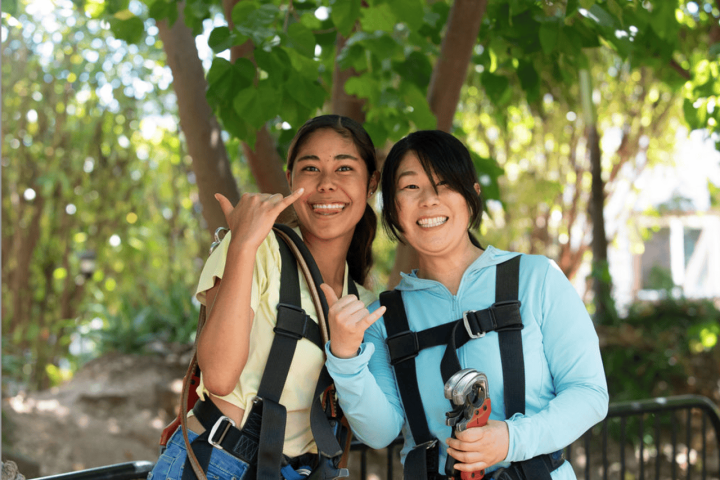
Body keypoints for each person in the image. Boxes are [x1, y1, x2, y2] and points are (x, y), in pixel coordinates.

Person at [323, 130, 609, 479]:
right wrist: (345, 357)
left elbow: (589, 393)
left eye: (444, 183)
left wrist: (511, 440)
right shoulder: (383, 318)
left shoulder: (536, 279)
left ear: (472, 195)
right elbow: (379, 433)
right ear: (393, 209)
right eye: (411, 187)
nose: (429, 200)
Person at [149, 115, 380, 480]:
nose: (326, 184)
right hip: (216, 462)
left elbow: (373, 424)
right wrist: (241, 244)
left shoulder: (363, 304)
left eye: (344, 168)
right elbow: (220, 377)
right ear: (291, 180)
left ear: (371, 185)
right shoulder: (257, 248)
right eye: (310, 168)